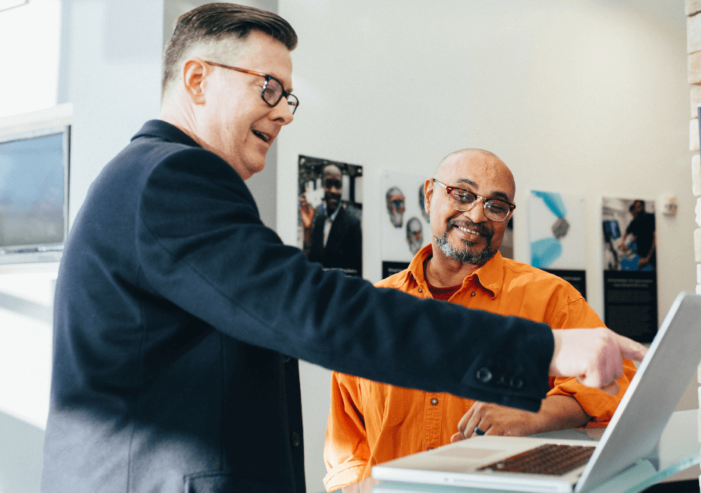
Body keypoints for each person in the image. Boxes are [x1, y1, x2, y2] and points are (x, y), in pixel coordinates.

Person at [41, 4, 646, 493]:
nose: (283, 114)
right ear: (197, 78)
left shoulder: (152, 180)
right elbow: (315, 311)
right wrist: (546, 349)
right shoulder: (171, 179)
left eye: (289, 97)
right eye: (269, 88)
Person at [323, 150, 637, 491]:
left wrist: (534, 414)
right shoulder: (374, 308)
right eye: (462, 194)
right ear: (430, 196)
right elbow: (348, 443)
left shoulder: (551, 298)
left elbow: (619, 382)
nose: (476, 215)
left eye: (496, 206)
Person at [305, 163, 363, 276]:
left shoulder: (352, 224)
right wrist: (307, 228)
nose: (333, 190)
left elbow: (357, 271)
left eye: (338, 185)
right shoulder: (318, 221)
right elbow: (311, 262)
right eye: (328, 184)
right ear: (322, 187)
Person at [619, 200, 657, 270]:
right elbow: (627, 233)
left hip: (651, 256)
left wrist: (647, 258)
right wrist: (623, 242)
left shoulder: (651, 217)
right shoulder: (634, 222)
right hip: (640, 255)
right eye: (637, 207)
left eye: (639, 207)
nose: (638, 209)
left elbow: (656, 238)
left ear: (643, 206)